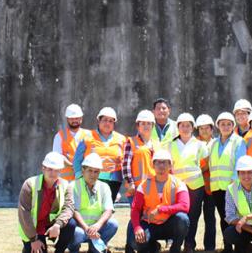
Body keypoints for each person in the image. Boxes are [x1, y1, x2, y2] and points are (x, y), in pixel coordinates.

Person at [128, 149, 190, 253]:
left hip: (169, 224)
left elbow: (185, 206)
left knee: (182, 219)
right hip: (149, 224)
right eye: (158, 162)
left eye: (165, 162)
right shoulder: (144, 185)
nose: (161, 165)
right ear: (153, 165)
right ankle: (153, 246)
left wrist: (160, 209)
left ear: (170, 165)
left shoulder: (179, 183)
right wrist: (138, 228)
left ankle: (175, 248)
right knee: (135, 243)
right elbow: (135, 209)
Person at [18, 152, 77, 253]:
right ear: (43, 168)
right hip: (34, 228)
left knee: (71, 224)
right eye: (49, 169)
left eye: (56, 170)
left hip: (52, 225)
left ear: (60, 171)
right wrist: (33, 239)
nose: (53, 173)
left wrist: (58, 224)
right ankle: (28, 247)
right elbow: (24, 213)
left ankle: (59, 250)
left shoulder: (66, 185)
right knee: (36, 249)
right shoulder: (30, 184)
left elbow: (69, 208)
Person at [170, 112, 210, 253]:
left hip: (196, 186)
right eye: (182, 125)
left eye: (188, 125)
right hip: (178, 187)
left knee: (193, 216)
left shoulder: (199, 145)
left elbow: (206, 163)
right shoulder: (171, 145)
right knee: (179, 216)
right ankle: (177, 243)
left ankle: (189, 244)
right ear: (178, 127)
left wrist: (197, 171)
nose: (185, 128)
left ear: (193, 128)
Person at [208, 112, 247, 253]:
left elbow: (240, 163)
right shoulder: (213, 143)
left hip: (232, 187)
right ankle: (227, 246)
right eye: (222, 124)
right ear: (218, 126)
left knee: (234, 217)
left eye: (229, 124)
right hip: (217, 187)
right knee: (223, 218)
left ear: (233, 126)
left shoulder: (239, 141)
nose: (225, 127)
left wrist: (234, 183)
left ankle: (239, 246)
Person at [69, 153, 119, 253]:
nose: (93, 174)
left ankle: (94, 249)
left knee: (113, 224)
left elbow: (108, 210)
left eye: (96, 172)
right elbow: (74, 211)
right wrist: (87, 228)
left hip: (96, 228)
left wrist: (97, 226)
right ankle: (73, 249)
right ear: (83, 170)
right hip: (81, 228)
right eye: (90, 171)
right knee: (76, 232)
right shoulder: (73, 185)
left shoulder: (104, 187)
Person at [73, 107, 126, 202]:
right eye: (104, 120)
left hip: (114, 181)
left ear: (114, 123)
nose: (107, 123)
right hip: (91, 178)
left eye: (111, 121)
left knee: (107, 207)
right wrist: (79, 178)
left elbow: (126, 161)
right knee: (92, 206)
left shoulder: (122, 139)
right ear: (99, 121)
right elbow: (77, 160)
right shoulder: (87, 137)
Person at [123, 110, 158, 253]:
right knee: (135, 217)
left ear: (153, 126)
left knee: (149, 218)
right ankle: (130, 246)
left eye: (149, 123)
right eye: (143, 123)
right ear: (138, 125)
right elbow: (125, 164)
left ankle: (150, 244)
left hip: (152, 190)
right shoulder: (131, 142)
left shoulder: (156, 144)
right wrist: (130, 182)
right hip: (136, 188)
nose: (146, 126)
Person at [196, 114, 218, 252]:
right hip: (196, 185)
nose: (204, 131)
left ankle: (209, 247)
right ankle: (189, 245)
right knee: (193, 216)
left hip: (212, 186)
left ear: (212, 129)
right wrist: (207, 164)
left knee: (210, 218)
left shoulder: (217, 143)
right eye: (201, 128)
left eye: (207, 128)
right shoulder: (193, 143)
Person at [52, 104, 88, 181]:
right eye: (72, 118)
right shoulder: (60, 136)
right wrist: (74, 165)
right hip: (66, 181)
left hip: (85, 180)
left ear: (81, 118)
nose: (74, 120)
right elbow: (57, 157)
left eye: (77, 118)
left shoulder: (89, 135)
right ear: (67, 119)